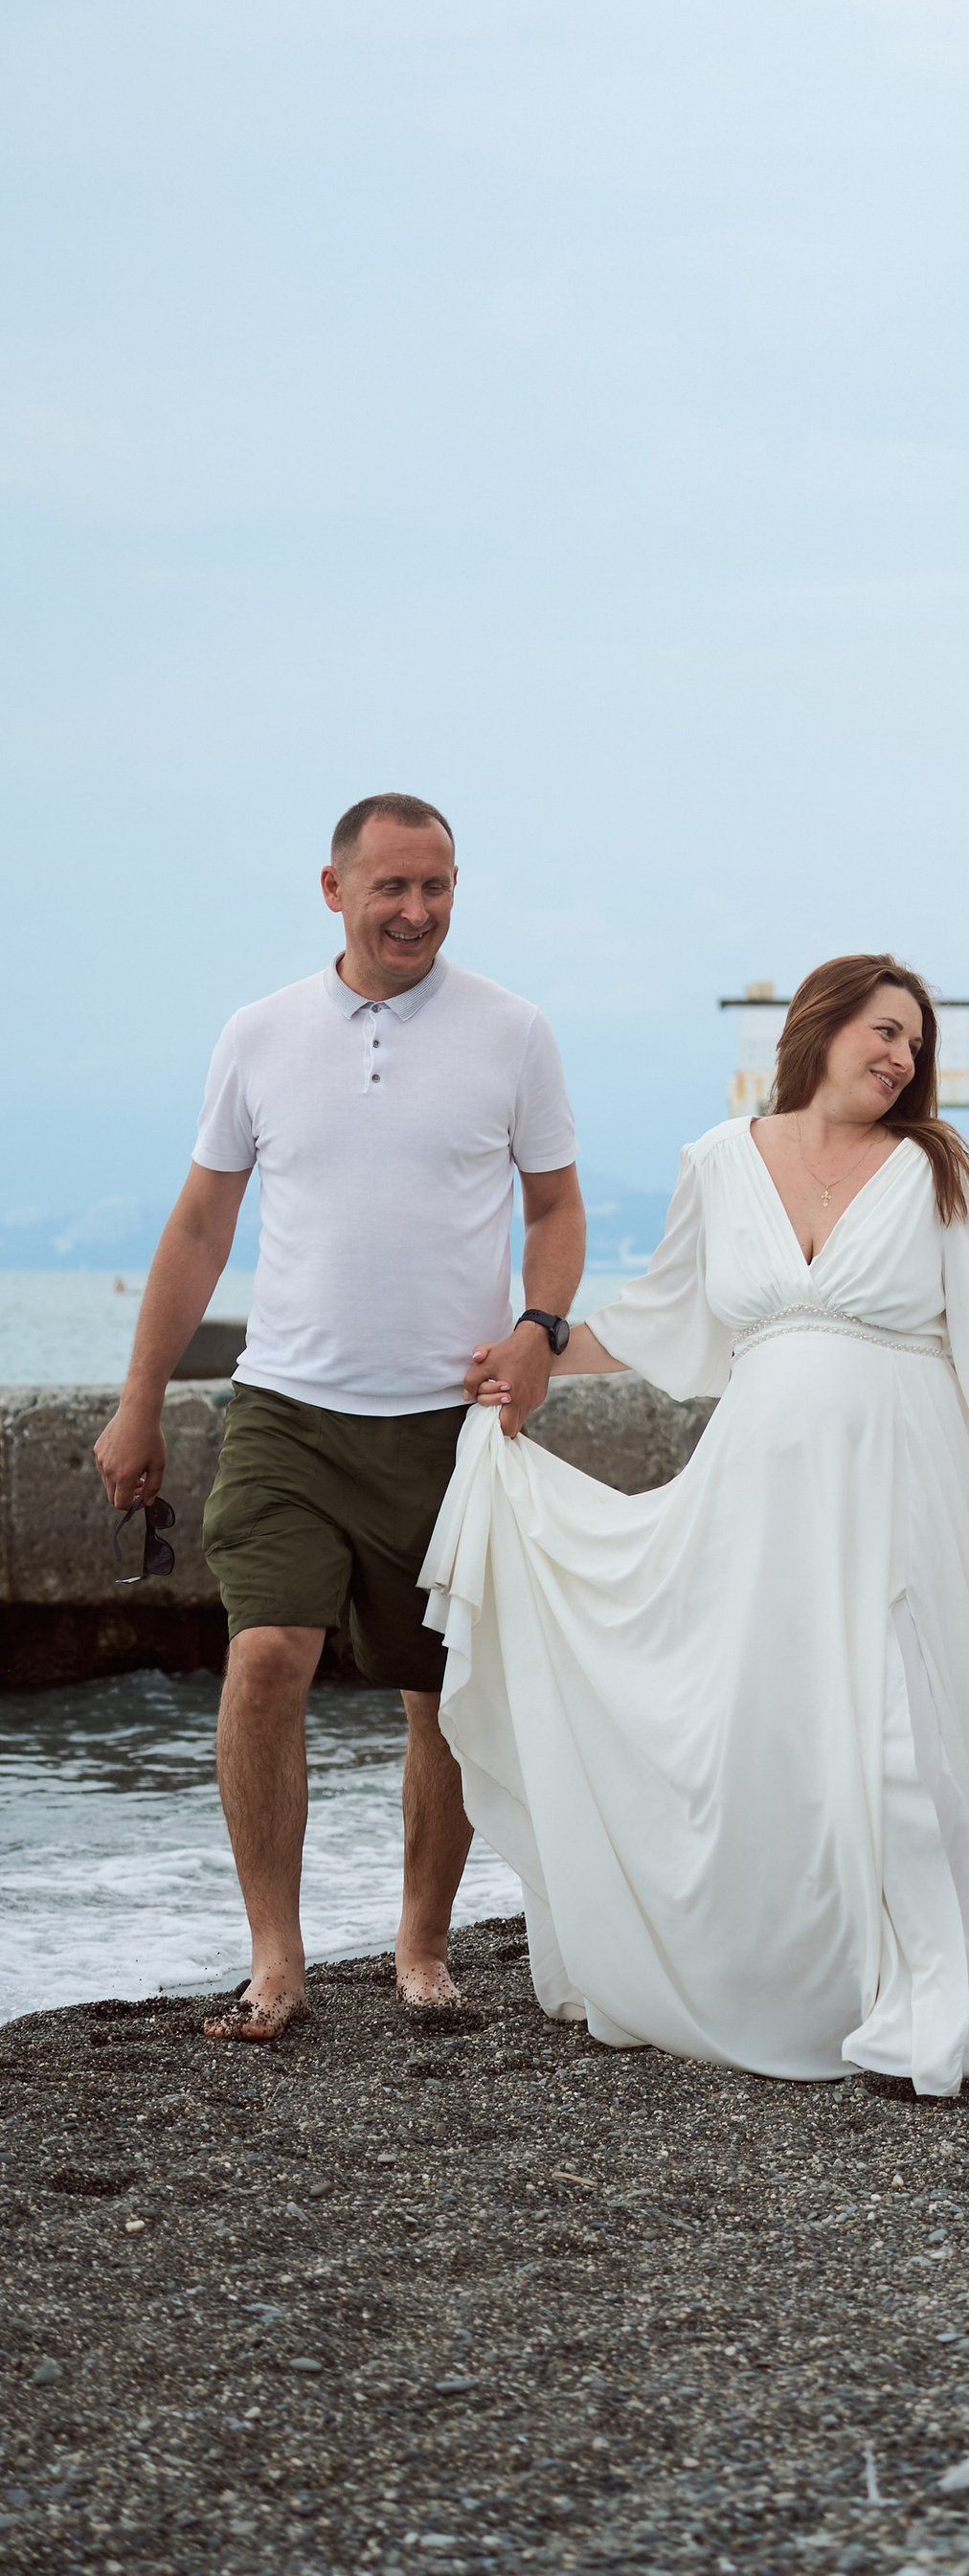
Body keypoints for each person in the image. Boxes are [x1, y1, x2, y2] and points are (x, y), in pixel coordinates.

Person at [422, 954, 969, 2091]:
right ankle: (824, 1987)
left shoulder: (940, 1170)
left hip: (899, 1483)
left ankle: (940, 2011)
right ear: (821, 1028)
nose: (899, 1056)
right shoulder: (717, 1159)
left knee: (904, 1736)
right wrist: (538, 1348)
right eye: (882, 1030)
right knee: (787, 1739)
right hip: (755, 1493)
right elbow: (661, 1317)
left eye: (914, 1042)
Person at [93, 797, 583, 2040]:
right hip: (287, 1408)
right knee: (265, 1654)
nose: (416, 910)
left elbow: (557, 1206)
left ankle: (422, 1948)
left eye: (439, 886)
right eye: (392, 888)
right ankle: (278, 1958)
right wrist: (138, 1398)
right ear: (334, 890)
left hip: (449, 1419)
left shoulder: (513, 1032)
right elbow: (202, 1222)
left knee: (443, 1695)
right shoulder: (258, 1034)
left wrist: (542, 1327)